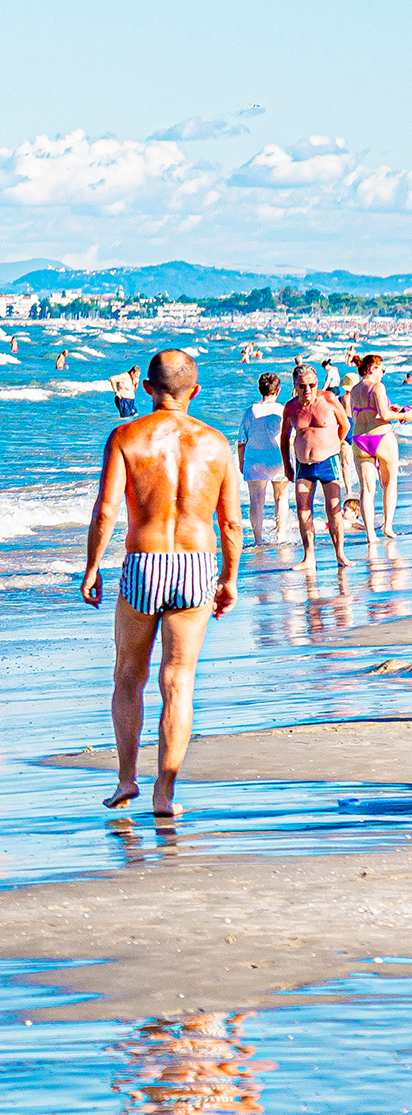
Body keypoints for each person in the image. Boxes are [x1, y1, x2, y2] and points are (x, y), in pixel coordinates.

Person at [81, 350, 241, 817]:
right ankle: (164, 792)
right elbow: (231, 523)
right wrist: (229, 578)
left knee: (129, 675)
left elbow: (106, 510)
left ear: (146, 388)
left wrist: (92, 565)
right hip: (195, 565)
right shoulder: (215, 444)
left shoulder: (126, 436)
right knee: (179, 680)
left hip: (144, 562)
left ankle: (127, 779)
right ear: (194, 391)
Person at [280, 365, 350, 569]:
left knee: (333, 510)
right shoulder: (291, 408)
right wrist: (287, 465)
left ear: (317, 384)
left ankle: (340, 554)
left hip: (328, 462)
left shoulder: (328, 400)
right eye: (302, 386)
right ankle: (309, 557)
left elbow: (345, 425)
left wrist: (334, 445)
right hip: (303, 466)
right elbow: (284, 438)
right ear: (295, 386)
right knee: (303, 511)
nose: (307, 390)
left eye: (311, 385)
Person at [350, 353, 409, 542]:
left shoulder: (354, 390)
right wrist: (404, 416)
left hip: (359, 439)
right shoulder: (378, 387)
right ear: (372, 368)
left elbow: (357, 415)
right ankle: (388, 526)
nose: (383, 373)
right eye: (382, 369)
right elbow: (383, 415)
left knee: (366, 489)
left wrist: (393, 410)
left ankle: (370, 534)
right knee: (389, 483)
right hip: (381, 437)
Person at [236, 373, 288, 545]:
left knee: (256, 500)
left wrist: (241, 462)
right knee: (281, 497)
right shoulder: (282, 410)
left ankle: (258, 539)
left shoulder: (251, 411)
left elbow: (241, 440)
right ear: (278, 390)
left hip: (254, 458)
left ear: (259, 389)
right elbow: (290, 437)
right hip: (278, 458)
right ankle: (281, 535)